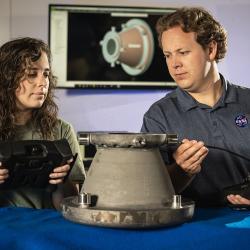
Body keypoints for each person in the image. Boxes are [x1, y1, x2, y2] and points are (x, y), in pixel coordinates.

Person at [141, 7, 250, 207]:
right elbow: (147, 191)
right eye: (168, 55)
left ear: (211, 49)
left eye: (182, 52)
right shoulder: (158, 116)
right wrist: (182, 170)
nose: (174, 64)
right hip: (191, 228)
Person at [0, 37, 85, 209]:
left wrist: (63, 181)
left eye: (46, 74)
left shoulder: (62, 130)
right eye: (32, 74)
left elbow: (71, 205)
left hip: (46, 229)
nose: (43, 82)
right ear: (7, 79)